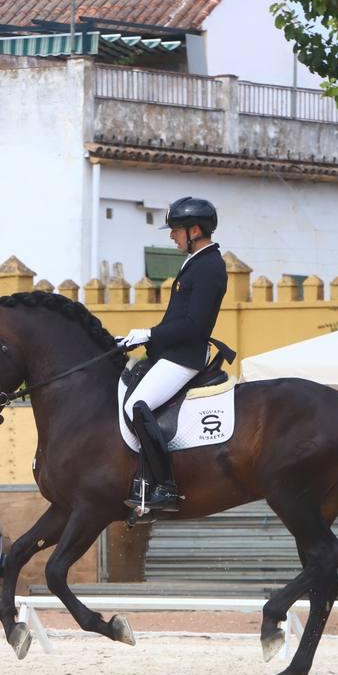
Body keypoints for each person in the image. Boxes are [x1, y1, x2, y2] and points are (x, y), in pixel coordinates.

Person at [115, 196, 228, 517]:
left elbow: (193, 324)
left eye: (176, 230)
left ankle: (163, 486)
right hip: (172, 352)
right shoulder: (194, 261)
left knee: (137, 406)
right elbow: (175, 320)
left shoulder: (210, 266)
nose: (171, 236)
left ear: (195, 229)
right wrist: (134, 341)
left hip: (186, 356)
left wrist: (150, 333)